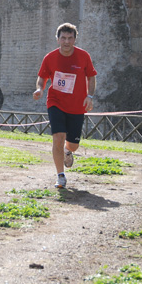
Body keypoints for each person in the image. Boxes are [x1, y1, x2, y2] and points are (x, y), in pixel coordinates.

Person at [33, 23, 97, 189]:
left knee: (73, 145)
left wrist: (89, 96)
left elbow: (91, 77)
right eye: (63, 38)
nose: (66, 41)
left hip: (77, 106)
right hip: (56, 102)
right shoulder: (50, 57)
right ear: (58, 39)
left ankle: (67, 152)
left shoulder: (83, 56)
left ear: (75, 39)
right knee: (58, 137)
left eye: (70, 38)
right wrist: (40, 89)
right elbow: (42, 77)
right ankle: (60, 176)